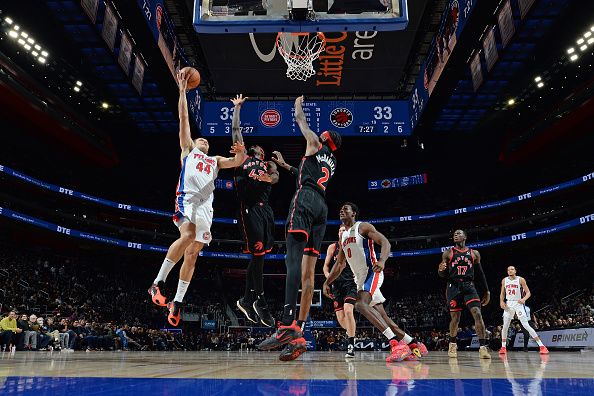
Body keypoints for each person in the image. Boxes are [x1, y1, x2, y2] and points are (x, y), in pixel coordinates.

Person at [148, 69, 246, 326]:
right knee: (187, 235)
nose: (202, 139)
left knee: (192, 255)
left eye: (205, 139)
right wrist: (182, 92)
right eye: (199, 138)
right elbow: (183, 119)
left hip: (206, 209)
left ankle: (177, 302)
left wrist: (240, 141)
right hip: (187, 199)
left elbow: (239, 160)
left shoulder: (214, 160)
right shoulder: (187, 151)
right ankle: (157, 282)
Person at [257, 95, 342, 361]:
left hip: (304, 201)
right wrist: (286, 166)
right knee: (308, 274)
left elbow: (301, 121)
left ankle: (286, 325)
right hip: (322, 208)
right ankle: (300, 334)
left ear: (323, 137)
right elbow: (307, 174)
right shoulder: (331, 161)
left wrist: (297, 106)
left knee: (291, 262)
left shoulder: (314, 142)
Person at [324, 203, 428, 363]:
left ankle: (396, 344)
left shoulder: (363, 227)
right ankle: (414, 344)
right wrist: (327, 282)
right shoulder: (343, 236)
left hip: (372, 272)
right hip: (359, 279)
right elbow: (339, 265)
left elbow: (385, 242)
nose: (342, 210)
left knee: (359, 304)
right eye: (341, 209)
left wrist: (382, 260)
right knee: (383, 317)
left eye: (346, 209)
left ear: (354, 214)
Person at [233, 96, 278, 328]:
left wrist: (269, 177)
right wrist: (237, 109)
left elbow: (276, 177)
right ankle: (259, 301)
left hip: (266, 211)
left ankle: (247, 299)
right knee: (258, 254)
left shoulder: (268, 165)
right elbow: (236, 130)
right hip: (249, 208)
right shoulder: (243, 157)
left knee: (259, 257)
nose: (258, 149)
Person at [438, 230, 491, 359]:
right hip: (453, 287)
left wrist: (487, 290)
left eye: (459, 233)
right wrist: (441, 270)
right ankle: (452, 344)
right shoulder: (448, 253)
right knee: (455, 318)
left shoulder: (474, 253)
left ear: (465, 237)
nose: (455, 235)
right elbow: (443, 275)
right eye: (454, 234)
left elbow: (480, 273)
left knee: (477, 313)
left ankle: (483, 347)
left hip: (469, 286)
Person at [323, 225, 358, 358]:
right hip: (336, 286)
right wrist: (328, 278)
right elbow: (326, 266)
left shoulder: (353, 247)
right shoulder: (332, 247)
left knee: (349, 310)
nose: (342, 232)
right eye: (340, 230)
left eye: (344, 231)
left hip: (350, 284)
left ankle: (350, 345)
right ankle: (352, 332)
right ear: (338, 233)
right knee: (342, 321)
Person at [499, 266, 549, 355]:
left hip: (518, 303)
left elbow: (528, 292)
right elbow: (502, 293)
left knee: (526, 325)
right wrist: (501, 302)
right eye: (508, 270)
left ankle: (542, 346)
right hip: (509, 304)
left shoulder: (520, 279)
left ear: (515, 271)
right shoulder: (504, 280)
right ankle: (503, 347)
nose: (510, 271)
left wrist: (524, 299)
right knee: (505, 326)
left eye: (512, 269)